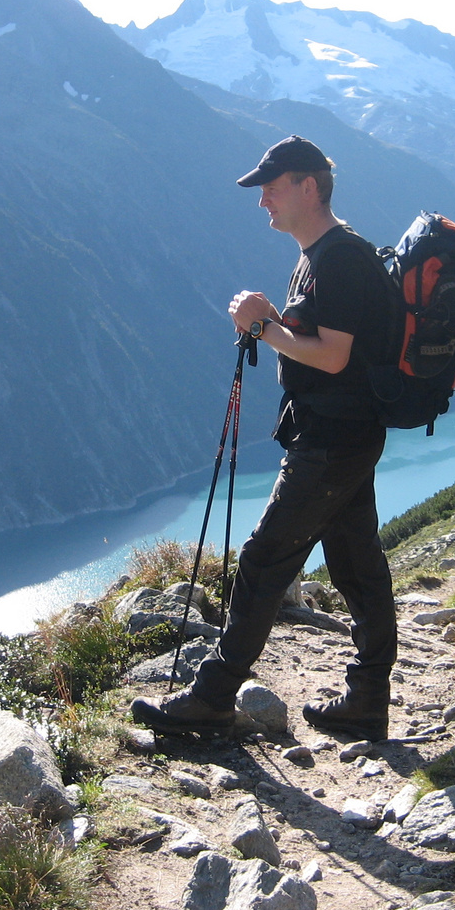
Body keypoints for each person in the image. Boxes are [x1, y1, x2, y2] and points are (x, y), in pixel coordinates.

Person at [131, 135, 397, 741]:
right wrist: (274, 320)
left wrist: (264, 326)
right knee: (355, 561)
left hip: (332, 442)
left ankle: (213, 697)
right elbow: (325, 341)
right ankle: (367, 700)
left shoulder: (341, 258)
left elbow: (331, 357)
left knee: (262, 560)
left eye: (271, 188)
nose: (262, 202)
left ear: (309, 187)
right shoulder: (319, 255)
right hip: (339, 435)